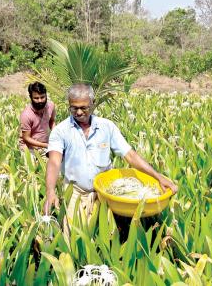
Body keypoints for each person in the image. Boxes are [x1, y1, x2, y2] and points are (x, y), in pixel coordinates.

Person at [43, 83, 178, 230]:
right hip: (76, 192)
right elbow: (54, 162)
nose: (79, 112)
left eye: (84, 107)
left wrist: (158, 177)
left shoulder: (107, 127)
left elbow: (130, 156)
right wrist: (50, 191)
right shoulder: (60, 131)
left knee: (110, 236)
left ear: (93, 104)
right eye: (74, 108)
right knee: (73, 237)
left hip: (106, 193)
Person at [19, 82, 56, 155]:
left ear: (46, 95)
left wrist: (57, 134)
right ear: (30, 97)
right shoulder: (26, 115)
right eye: (36, 98)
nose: (40, 101)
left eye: (42, 97)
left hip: (44, 145)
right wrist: (45, 145)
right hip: (29, 148)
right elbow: (26, 138)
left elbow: (51, 121)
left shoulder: (51, 106)